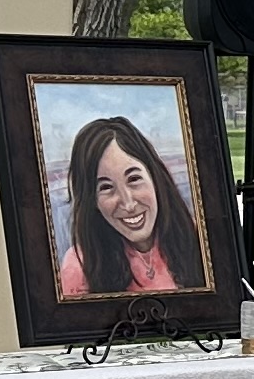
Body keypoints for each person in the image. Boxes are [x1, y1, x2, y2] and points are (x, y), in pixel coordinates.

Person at [57, 112, 207, 298]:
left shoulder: (201, 239)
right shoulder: (79, 266)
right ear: (92, 201)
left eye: (134, 179)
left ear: (155, 178)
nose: (128, 204)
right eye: (106, 187)